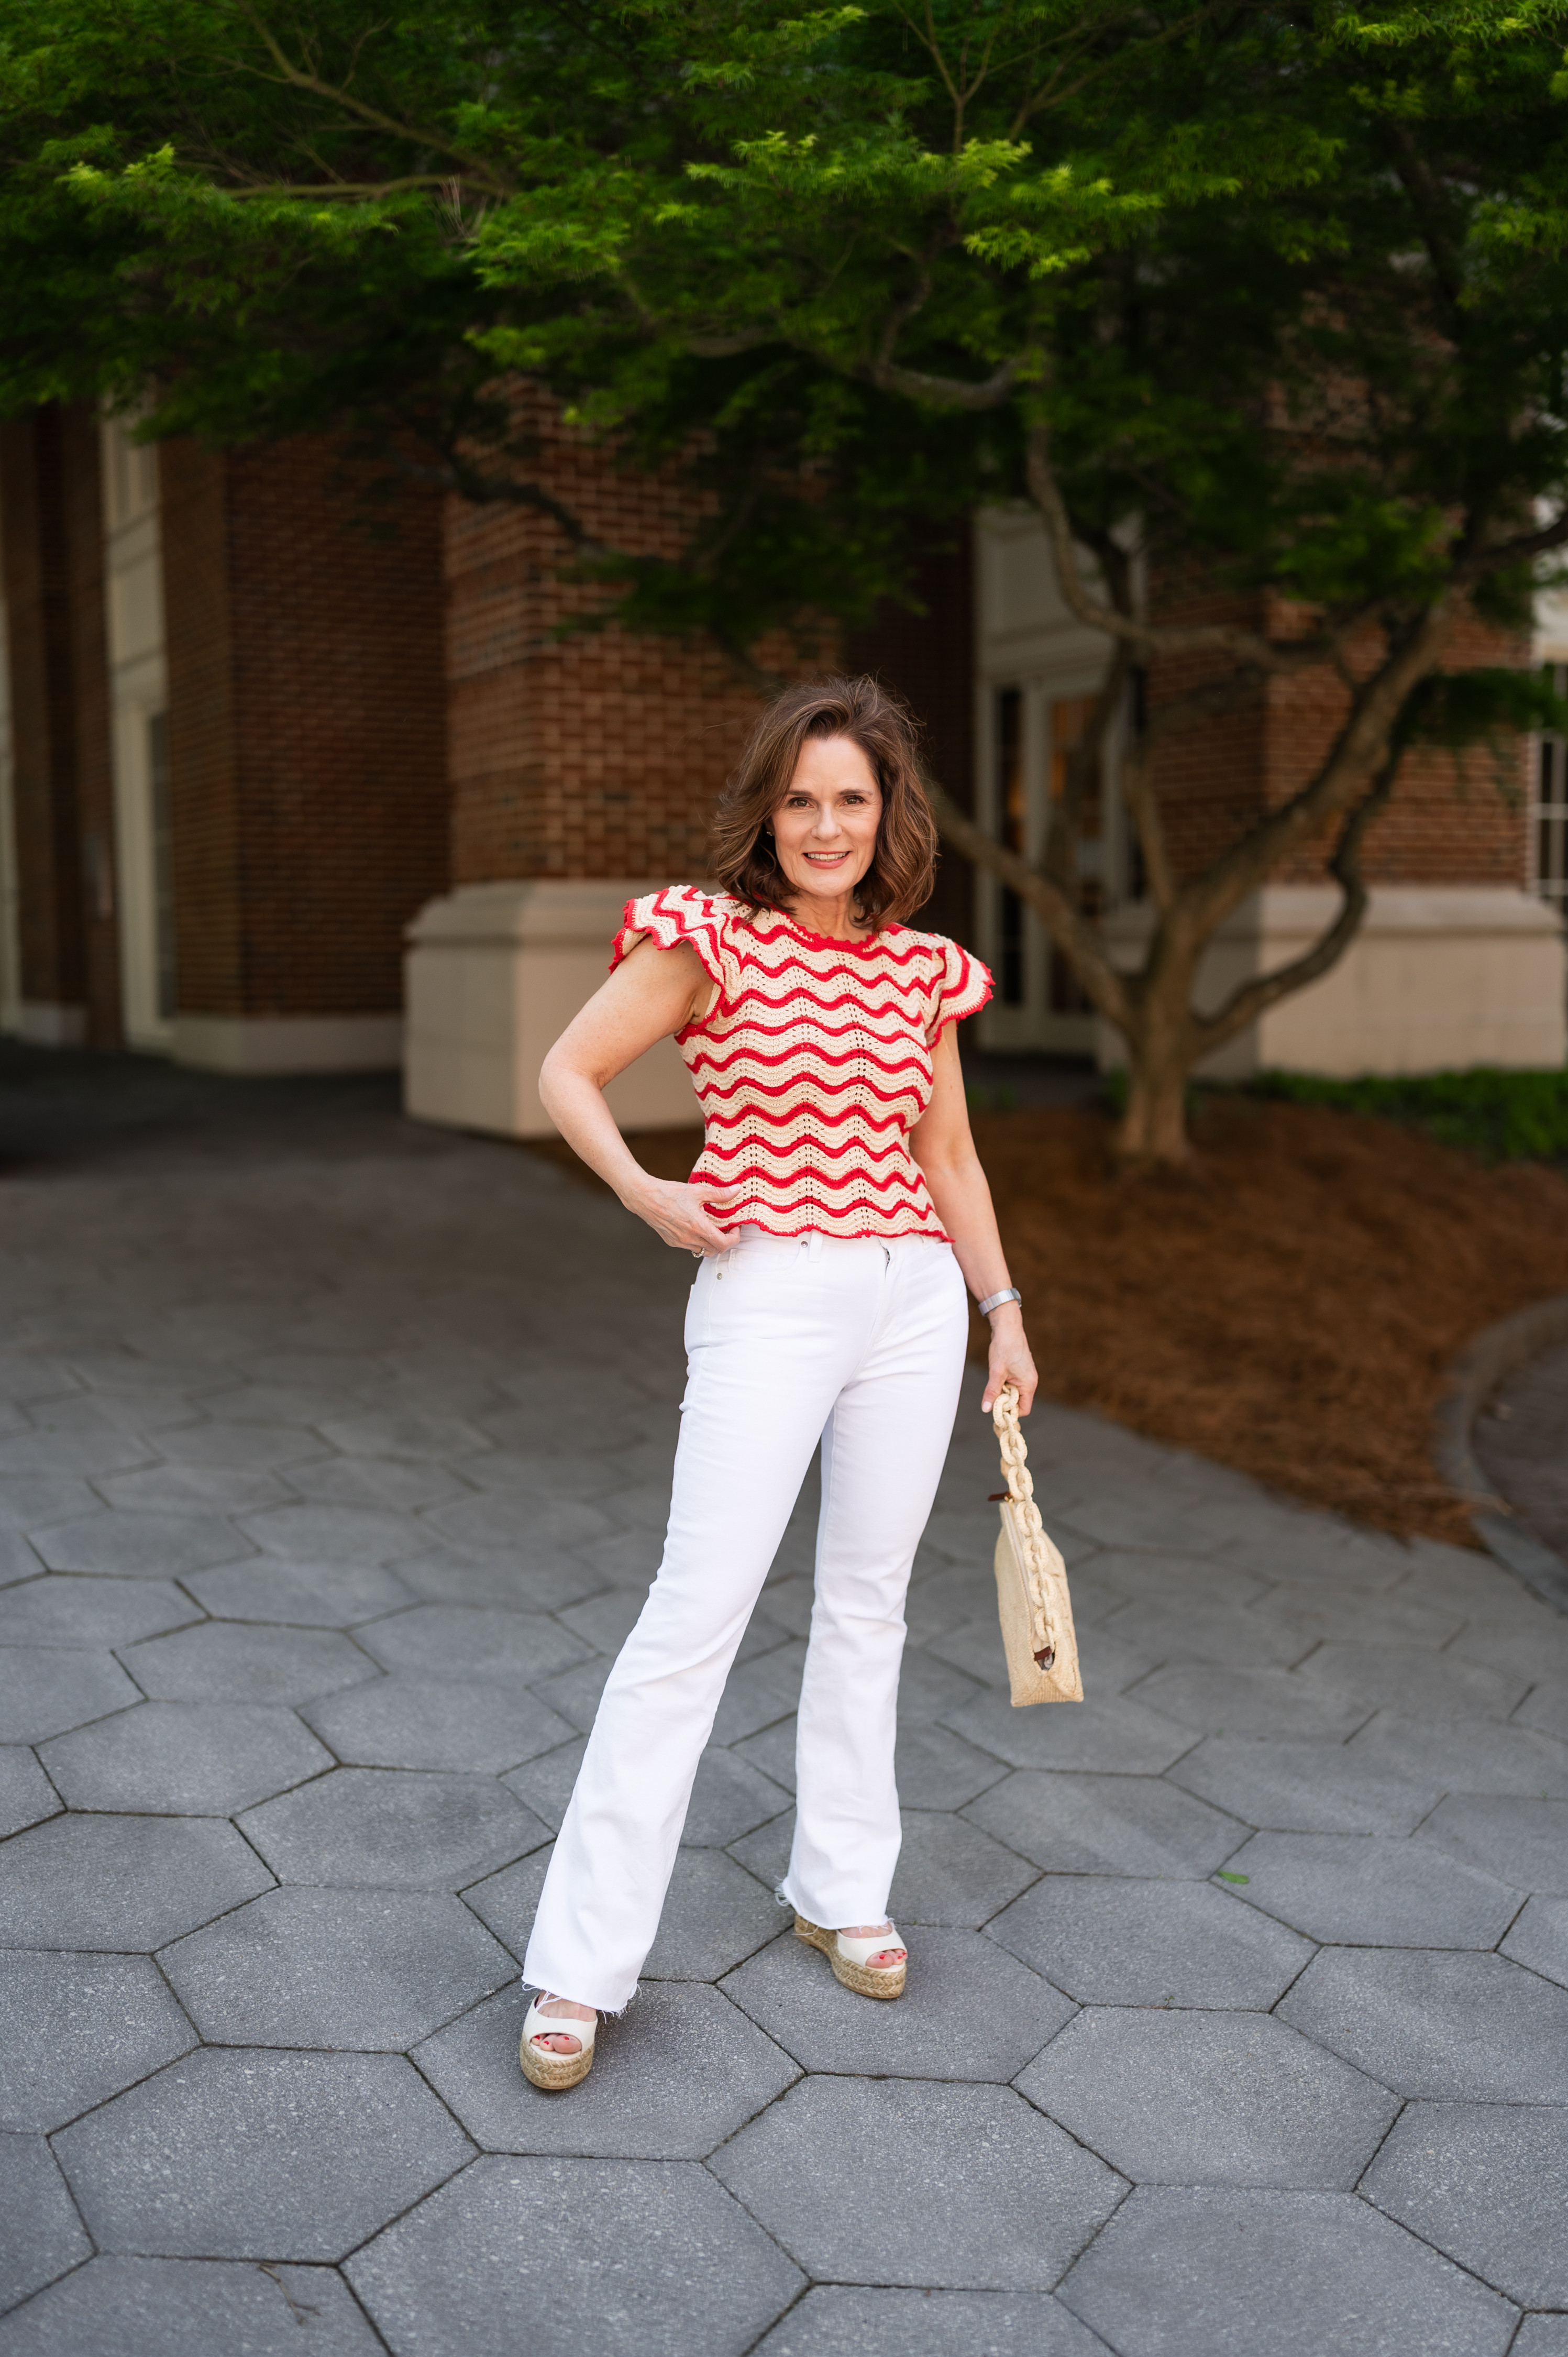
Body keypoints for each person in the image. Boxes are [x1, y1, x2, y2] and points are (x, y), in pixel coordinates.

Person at [518, 674, 1037, 2089]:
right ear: (767, 808)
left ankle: (841, 1887)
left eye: (850, 800)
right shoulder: (710, 937)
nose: (823, 826)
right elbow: (568, 1070)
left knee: (870, 1604)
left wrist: (1000, 1309)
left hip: (912, 1299)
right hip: (768, 1294)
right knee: (694, 1617)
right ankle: (578, 1965)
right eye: (800, 799)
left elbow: (949, 1157)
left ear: (888, 815)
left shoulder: (922, 968)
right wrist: (646, 1191)